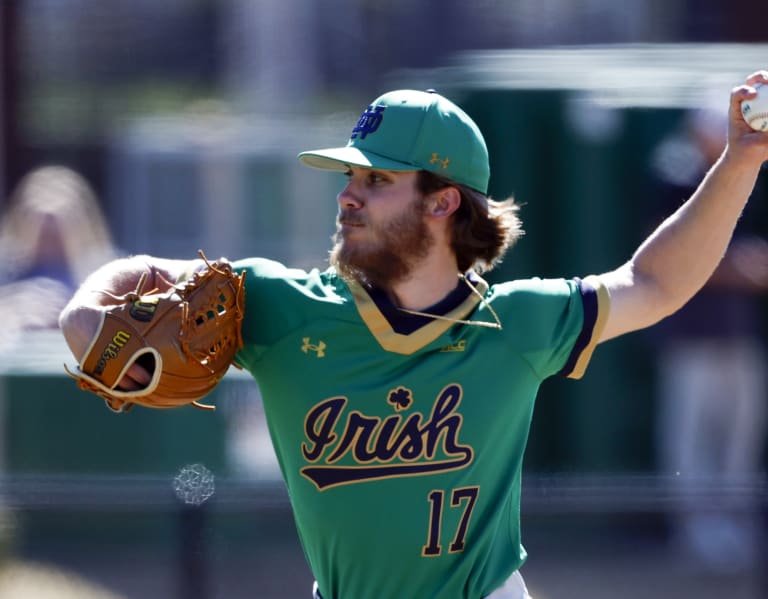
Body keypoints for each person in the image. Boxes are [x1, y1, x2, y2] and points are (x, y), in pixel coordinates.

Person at [58, 72, 768, 599]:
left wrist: (739, 160)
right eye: (350, 176)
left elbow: (656, 283)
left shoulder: (515, 322)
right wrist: (89, 318)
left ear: (443, 201)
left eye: (376, 178)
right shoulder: (276, 305)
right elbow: (134, 280)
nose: (348, 194)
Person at [647, 103, 768, 571]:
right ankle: (695, 532)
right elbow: (670, 255)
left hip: (737, 334)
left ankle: (734, 528)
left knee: (741, 435)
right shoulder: (672, 175)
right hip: (689, 336)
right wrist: (742, 269)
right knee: (690, 438)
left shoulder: (742, 178)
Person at [0, 165, 118, 341]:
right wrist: (10, 311)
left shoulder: (109, 273)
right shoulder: (6, 270)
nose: (50, 241)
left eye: (58, 233)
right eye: (43, 234)